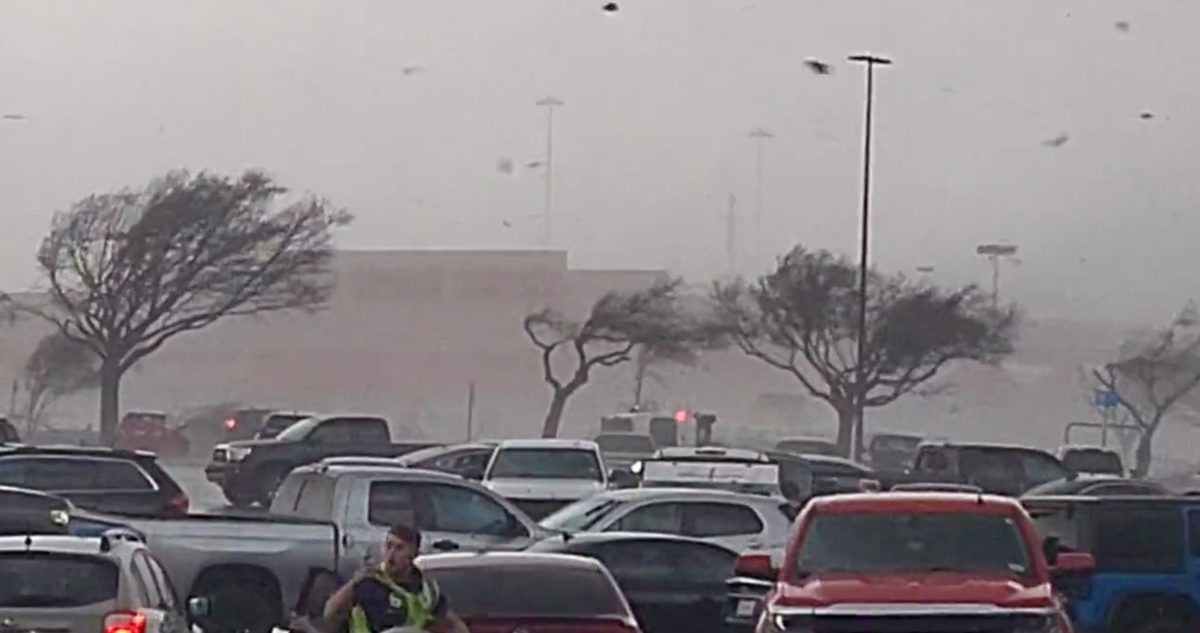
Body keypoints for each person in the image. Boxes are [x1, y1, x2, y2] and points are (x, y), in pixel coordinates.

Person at [324, 523, 470, 633]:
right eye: (388, 546)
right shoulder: (370, 582)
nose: (391, 554)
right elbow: (330, 614)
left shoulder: (427, 589)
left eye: (399, 548)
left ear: (414, 554)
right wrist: (354, 583)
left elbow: (453, 623)